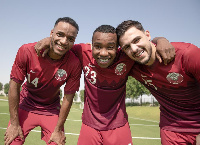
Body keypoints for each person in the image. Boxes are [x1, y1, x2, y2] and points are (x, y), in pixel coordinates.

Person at [34, 24, 174, 145]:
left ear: (119, 48)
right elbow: (63, 44)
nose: (103, 53)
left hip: (119, 127)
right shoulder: (82, 51)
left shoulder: (127, 57)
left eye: (110, 47)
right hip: (89, 126)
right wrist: (49, 40)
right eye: (98, 46)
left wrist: (161, 40)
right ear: (91, 45)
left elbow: (149, 43)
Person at [116, 20, 200, 145]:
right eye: (127, 47)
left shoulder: (187, 54)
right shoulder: (131, 65)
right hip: (171, 128)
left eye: (137, 40)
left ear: (148, 35)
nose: (134, 49)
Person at [4, 17, 82, 145]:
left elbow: (68, 97)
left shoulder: (74, 63)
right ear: (51, 33)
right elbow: (14, 85)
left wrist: (58, 129)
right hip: (26, 104)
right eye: (60, 34)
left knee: (57, 142)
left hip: (51, 108)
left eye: (70, 39)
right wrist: (14, 123)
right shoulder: (27, 51)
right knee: (12, 141)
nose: (63, 41)